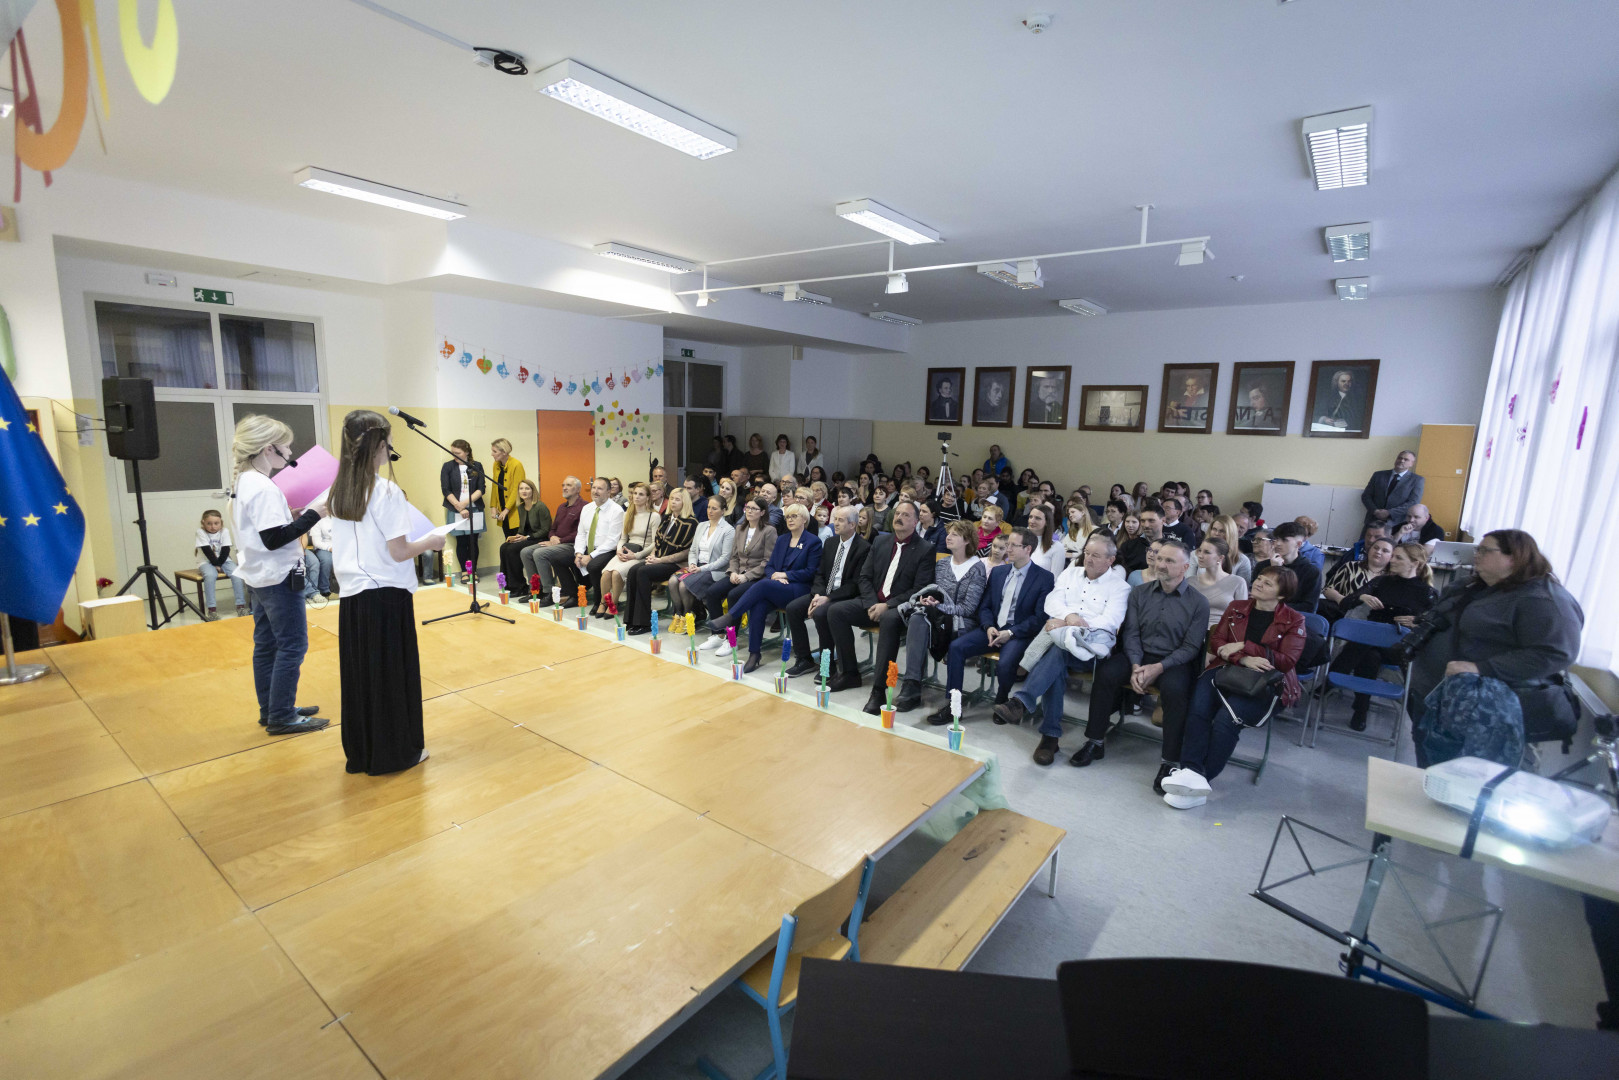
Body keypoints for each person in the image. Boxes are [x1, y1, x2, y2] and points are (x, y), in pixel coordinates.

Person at [327, 410, 447, 775]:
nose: (391, 448)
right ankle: (395, 753)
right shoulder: (385, 491)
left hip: (353, 596)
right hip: (385, 594)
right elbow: (399, 551)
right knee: (390, 677)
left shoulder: (340, 488)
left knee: (362, 677)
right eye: (389, 442)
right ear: (379, 445)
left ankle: (363, 752)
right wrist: (432, 541)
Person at [1406, 530, 1584, 764]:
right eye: (1478, 549)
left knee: (1466, 776)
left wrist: (1482, 668)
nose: (1477, 554)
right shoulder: (1472, 585)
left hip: (1486, 714)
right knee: (1429, 769)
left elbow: (1555, 653)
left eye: (1485, 550)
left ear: (1514, 557)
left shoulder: (1542, 599)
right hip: (1435, 696)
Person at [1161, 565, 1307, 808]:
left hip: (1265, 682)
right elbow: (1217, 642)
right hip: (1225, 669)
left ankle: (1200, 781)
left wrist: (1243, 646)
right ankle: (1189, 772)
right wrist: (1243, 659)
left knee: (1226, 721)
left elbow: (1286, 661)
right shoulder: (1237, 608)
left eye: (1268, 583)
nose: (1258, 583)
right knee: (1198, 710)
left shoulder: (1294, 620)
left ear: (1282, 595)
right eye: (1259, 578)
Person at [1071, 540, 1209, 795]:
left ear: (1185, 567)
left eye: (1169, 561)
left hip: (1173, 661)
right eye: (1159, 558)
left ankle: (1169, 761)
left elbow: (1191, 648)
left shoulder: (1198, 603)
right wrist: (1136, 665)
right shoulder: (1139, 593)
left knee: (1176, 690)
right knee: (1107, 673)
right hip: (1138, 655)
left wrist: (1158, 667)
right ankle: (1095, 741)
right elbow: (1131, 634)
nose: (1161, 564)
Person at [229, 415, 329, 736]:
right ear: (269, 448)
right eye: (287, 446)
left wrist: (292, 515)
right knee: (292, 645)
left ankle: (272, 708)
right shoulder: (262, 486)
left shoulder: (247, 481)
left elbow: (266, 529)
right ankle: (282, 715)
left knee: (267, 645)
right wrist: (315, 513)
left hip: (259, 575)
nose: (290, 452)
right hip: (278, 576)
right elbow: (274, 539)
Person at [994, 533, 1132, 763]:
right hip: (1061, 640)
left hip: (1092, 647)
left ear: (1111, 560)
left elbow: (1110, 621)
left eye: (1096, 555)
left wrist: (1070, 623)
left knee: (1058, 651)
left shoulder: (1120, 587)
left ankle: (1031, 713)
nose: (1088, 559)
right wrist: (1068, 616)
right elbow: (1052, 601)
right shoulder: (1071, 573)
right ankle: (1047, 734)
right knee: (1058, 656)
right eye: (1086, 553)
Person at [929, 528, 1054, 724]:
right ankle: (954, 706)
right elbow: (985, 606)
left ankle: (1002, 701)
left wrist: (1010, 632)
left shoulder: (1044, 577)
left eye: (1013, 545)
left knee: (1005, 664)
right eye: (1008, 544)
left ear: (1028, 549)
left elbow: (1039, 618)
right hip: (992, 629)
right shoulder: (998, 572)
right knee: (956, 648)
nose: (1008, 549)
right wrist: (988, 626)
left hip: (1018, 633)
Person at [825, 500, 936, 711]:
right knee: (836, 611)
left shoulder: (925, 549)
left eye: (905, 515)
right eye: (897, 513)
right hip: (873, 602)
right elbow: (864, 577)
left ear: (915, 521)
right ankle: (849, 673)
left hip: (900, 608)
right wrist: (872, 603)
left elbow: (919, 589)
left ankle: (878, 690)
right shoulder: (880, 542)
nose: (899, 517)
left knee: (888, 619)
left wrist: (888, 605)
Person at [1330, 542, 1438, 731]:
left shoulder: (1427, 593)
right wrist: (1361, 597)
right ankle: (1361, 710)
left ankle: (1335, 676)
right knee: (1371, 654)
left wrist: (1417, 622)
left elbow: (1434, 627)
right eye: (1393, 556)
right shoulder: (1382, 582)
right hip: (1370, 645)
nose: (1392, 560)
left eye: (1398, 557)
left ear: (1414, 563)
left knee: (1365, 644)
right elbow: (1346, 603)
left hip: (1398, 648)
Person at [887, 520, 988, 711]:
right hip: (938, 617)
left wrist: (939, 607)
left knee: (921, 621)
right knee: (918, 617)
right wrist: (930, 600)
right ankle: (911, 684)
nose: (948, 537)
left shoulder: (977, 568)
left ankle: (914, 684)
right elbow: (935, 593)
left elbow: (968, 609)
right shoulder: (942, 564)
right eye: (948, 533)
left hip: (963, 621)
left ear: (967, 540)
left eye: (955, 535)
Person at [711, 504, 822, 670]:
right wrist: (775, 576)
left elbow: (811, 572)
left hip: (799, 588)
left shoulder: (813, 542)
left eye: (794, 516)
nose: (790, 520)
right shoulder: (783, 539)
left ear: (804, 520)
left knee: (762, 584)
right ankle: (754, 654)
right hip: (777, 586)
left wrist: (785, 575)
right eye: (788, 517)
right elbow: (769, 566)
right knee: (758, 605)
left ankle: (731, 616)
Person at [782, 505, 870, 677]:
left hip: (844, 596)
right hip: (823, 592)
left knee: (821, 613)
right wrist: (818, 594)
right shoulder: (830, 543)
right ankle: (804, 659)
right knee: (793, 608)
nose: (835, 523)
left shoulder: (864, 548)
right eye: (835, 519)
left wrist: (828, 598)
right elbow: (820, 573)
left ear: (852, 525)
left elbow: (855, 584)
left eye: (840, 520)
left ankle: (827, 664)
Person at [695, 497, 778, 639]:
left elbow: (768, 561)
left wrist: (747, 576)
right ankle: (718, 635)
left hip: (757, 577)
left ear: (762, 512)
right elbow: (734, 557)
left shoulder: (769, 531)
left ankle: (731, 639)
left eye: (754, 509)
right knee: (712, 592)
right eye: (748, 507)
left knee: (733, 595)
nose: (749, 511)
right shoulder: (740, 528)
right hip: (738, 573)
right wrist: (733, 572)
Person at [623, 489, 699, 634]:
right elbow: (657, 543)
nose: (673, 502)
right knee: (633, 571)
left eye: (677, 499)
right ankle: (631, 619)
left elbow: (685, 552)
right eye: (672, 498)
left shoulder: (691, 522)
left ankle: (643, 623)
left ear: (685, 502)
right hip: (659, 560)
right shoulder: (667, 518)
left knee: (643, 572)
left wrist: (659, 560)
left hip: (676, 564)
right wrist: (652, 556)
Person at [667, 494, 735, 622]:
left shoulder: (728, 530)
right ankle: (678, 615)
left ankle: (687, 618)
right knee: (672, 581)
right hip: (697, 566)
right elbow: (693, 550)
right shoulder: (701, 525)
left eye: (714, 508)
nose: (710, 511)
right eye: (708, 507)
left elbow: (725, 559)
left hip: (714, 570)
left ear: (723, 511)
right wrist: (692, 563)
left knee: (684, 586)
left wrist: (701, 568)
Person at [521, 475, 584, 603]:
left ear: (578, 489)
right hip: (556, 543)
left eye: (568, 485)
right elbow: (552, 528)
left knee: (539, 553)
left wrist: (560, 540)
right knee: (525, 552)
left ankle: (549, 592)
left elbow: (580, 533)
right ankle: (536, 590)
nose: (564, 488)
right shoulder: (561, 507)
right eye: (563, 485)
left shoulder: (584, 507)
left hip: (571, 544)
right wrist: (552, 537)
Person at [597, 484, 659, 614]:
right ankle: (603, 602)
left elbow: (655, 543)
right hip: (626, 551)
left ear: (648, 497)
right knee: (606, 573)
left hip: (641, 554)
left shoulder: (654, 516)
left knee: (616, 573)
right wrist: (619, 550)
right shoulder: (627, 514)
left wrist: (636, 556)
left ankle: (613, 604)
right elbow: (623, 538)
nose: (636, 497)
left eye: (641, 494)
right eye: (635, 493)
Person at [573, 478, 625, 611]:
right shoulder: (586, 508)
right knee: (564, 558)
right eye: (594, 488)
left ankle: (600, 601)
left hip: (607, 550)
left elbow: (613, 541)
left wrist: (591, 556)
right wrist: (579, 553)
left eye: (600, 489)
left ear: (608, 492)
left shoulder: (616, 510)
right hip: (588, 548)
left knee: (594, 566)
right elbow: (581, 534)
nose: (595, 491)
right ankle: (574, 595)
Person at [439, 439, 485, 584]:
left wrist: (465, 503)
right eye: (452, 452)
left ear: (466, 452)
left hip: (474, 507)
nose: (455, 455)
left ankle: (473, 571)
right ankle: (465, 571)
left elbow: (481, 488)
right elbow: (446, 489)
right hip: (455, 508)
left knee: (473, 541)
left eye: (458, 453)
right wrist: (459, 507)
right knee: (461, 541)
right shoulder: (448, 466)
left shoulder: (477, 466)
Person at [1319, 534, 1393, 622]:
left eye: (1385, 551)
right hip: (1342, 616)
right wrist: (1344, 600)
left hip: (1374, 622)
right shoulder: (1350, 566)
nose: (1378, 552)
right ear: (1369, 549)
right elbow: (1327, 590)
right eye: (1376, 548)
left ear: (1392, 557)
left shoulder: (1392, 578)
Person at [500, 480, 551, 600]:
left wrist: (526, 537)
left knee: (512, 550)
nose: (524, 491)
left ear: (533, 491)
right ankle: (508, 585)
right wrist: (517, 536)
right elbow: (522, 528)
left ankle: (519, 586)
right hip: (527, 537)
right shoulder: (521, 507)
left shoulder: (540, 506)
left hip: (539, 538)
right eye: (521, 488)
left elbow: (545, 529)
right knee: (504, 547)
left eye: (527, 488)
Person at [194, 508, 247, 619]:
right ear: (203, 523)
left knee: (237, 574)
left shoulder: (224, 531)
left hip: (224, 560)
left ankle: (241, 606)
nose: (213, 526)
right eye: (209, 523)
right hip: (206, 561)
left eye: (216, 523)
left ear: (221, 523)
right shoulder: (200, 532)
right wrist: (216, 564)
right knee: (210, 575)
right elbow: (207, 550)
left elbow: (226, 549)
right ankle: (212, 610)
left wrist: (219, 564)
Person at [1265, 521, 1322, 614]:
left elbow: (1309, 607)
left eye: (1284, 540)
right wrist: (1273, 570)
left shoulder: (1311, 571)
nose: (1278, 543)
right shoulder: (1264, 566)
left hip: (1292, 617)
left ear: (1298, 544)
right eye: (1276, 539)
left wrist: (1274, 607)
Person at [1191, 538, 1248, 628]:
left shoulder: (1238, 582)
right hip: (1194, 630)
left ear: (1220, 558)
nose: (1200, 556)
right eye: (1200, 551)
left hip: (1223, 631)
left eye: (1207, 552)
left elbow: (1241, 616)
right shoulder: (1190, 582)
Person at [1361, 450, 1424, 529]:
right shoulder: (1378, 475)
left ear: (1412, 463)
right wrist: (1375, 511)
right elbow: (1366, 496)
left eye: (1406, 459)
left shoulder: (1417, 480)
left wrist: (1389, 513)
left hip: (1396, 523)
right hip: (1373, 520)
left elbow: (1413, 502)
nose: (1401, 460)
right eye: (1399, 458)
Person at [486, 438, 527, 539]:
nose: (492, 454)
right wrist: (493, 506)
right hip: (502, 508)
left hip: (514, 510)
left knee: (516, 541)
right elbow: (495, 486)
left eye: (494, 451)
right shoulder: (496, 464)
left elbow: (517, 489)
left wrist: (506, 510)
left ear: (504, 452)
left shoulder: (516, 465)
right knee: (508, 539)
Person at [1205, 515, 1253, 585]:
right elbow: (1190, 582)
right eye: (1214, 529)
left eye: (1222, 531)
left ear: (1230, 534)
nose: (1217, 533)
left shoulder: (1243, 561)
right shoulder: (1196, 554)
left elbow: (1242, 588)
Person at [1026, 504, 1067, 580]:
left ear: (1047, 522)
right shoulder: (1021, 542)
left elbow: (1054, 579)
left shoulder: (1057, 547)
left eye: (1037, 518)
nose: (1032, 521)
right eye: (1030, 517)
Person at [1120, 504, 1164, 573]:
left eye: (1151, 520)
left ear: (1163, 521)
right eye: (1143, 521)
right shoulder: (1128, 546)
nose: (1146, 525)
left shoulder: (1171, 547)